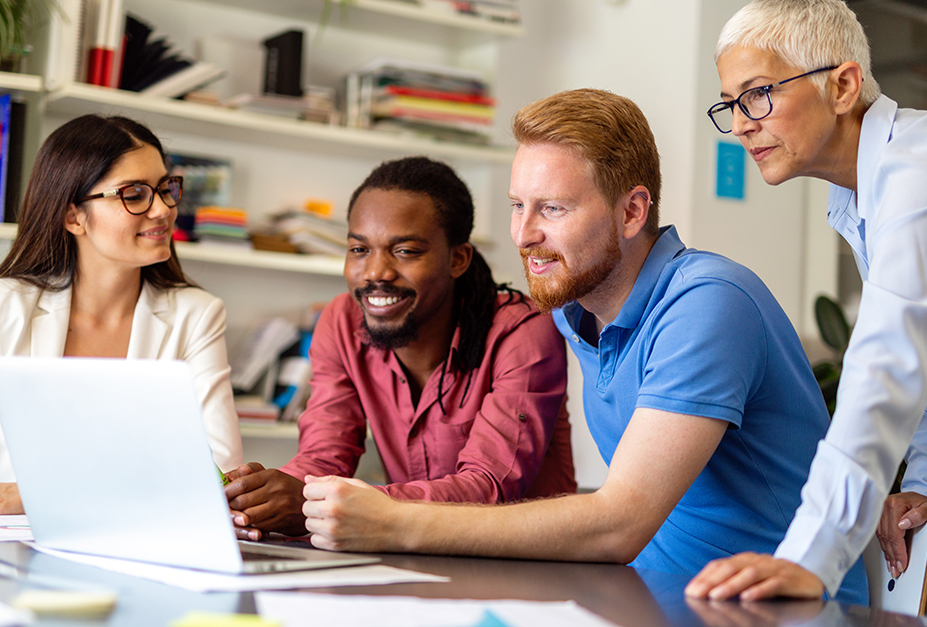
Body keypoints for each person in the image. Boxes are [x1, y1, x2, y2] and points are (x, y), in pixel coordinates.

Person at [294, 89, 868, 605]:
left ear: (632, 212)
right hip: (650, 596)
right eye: (519, 206)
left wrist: (394, 522)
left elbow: (618, 522)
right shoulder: (574, 312)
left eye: (553, 209)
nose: (523, 235)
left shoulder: (708, 302)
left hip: (775, 611)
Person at [685, 0, 927, 602]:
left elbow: (889, 363)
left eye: (757, 94)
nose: (742, 122)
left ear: (844, 85)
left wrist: (810, 560)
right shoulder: (860, 200)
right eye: (730, 104)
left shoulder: (919, 171)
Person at [223, 156, 576, 539]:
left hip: (528, 565)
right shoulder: (342, 323)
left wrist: (325, 503)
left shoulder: (524, 333)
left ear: (458, 259)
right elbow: (322, 458)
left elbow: (488, 488)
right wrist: (264, 496)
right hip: (408, 553)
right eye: (359, 250)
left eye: (405, 251)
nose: (375, 273)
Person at [0, 114, 244, 514]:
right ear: (73, 216)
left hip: (138, 548)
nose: (163, 209)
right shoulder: (6, 308)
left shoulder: (196, 315)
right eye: (134, 194)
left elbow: (219, 471)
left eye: (166, 188)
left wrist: (26, 495)